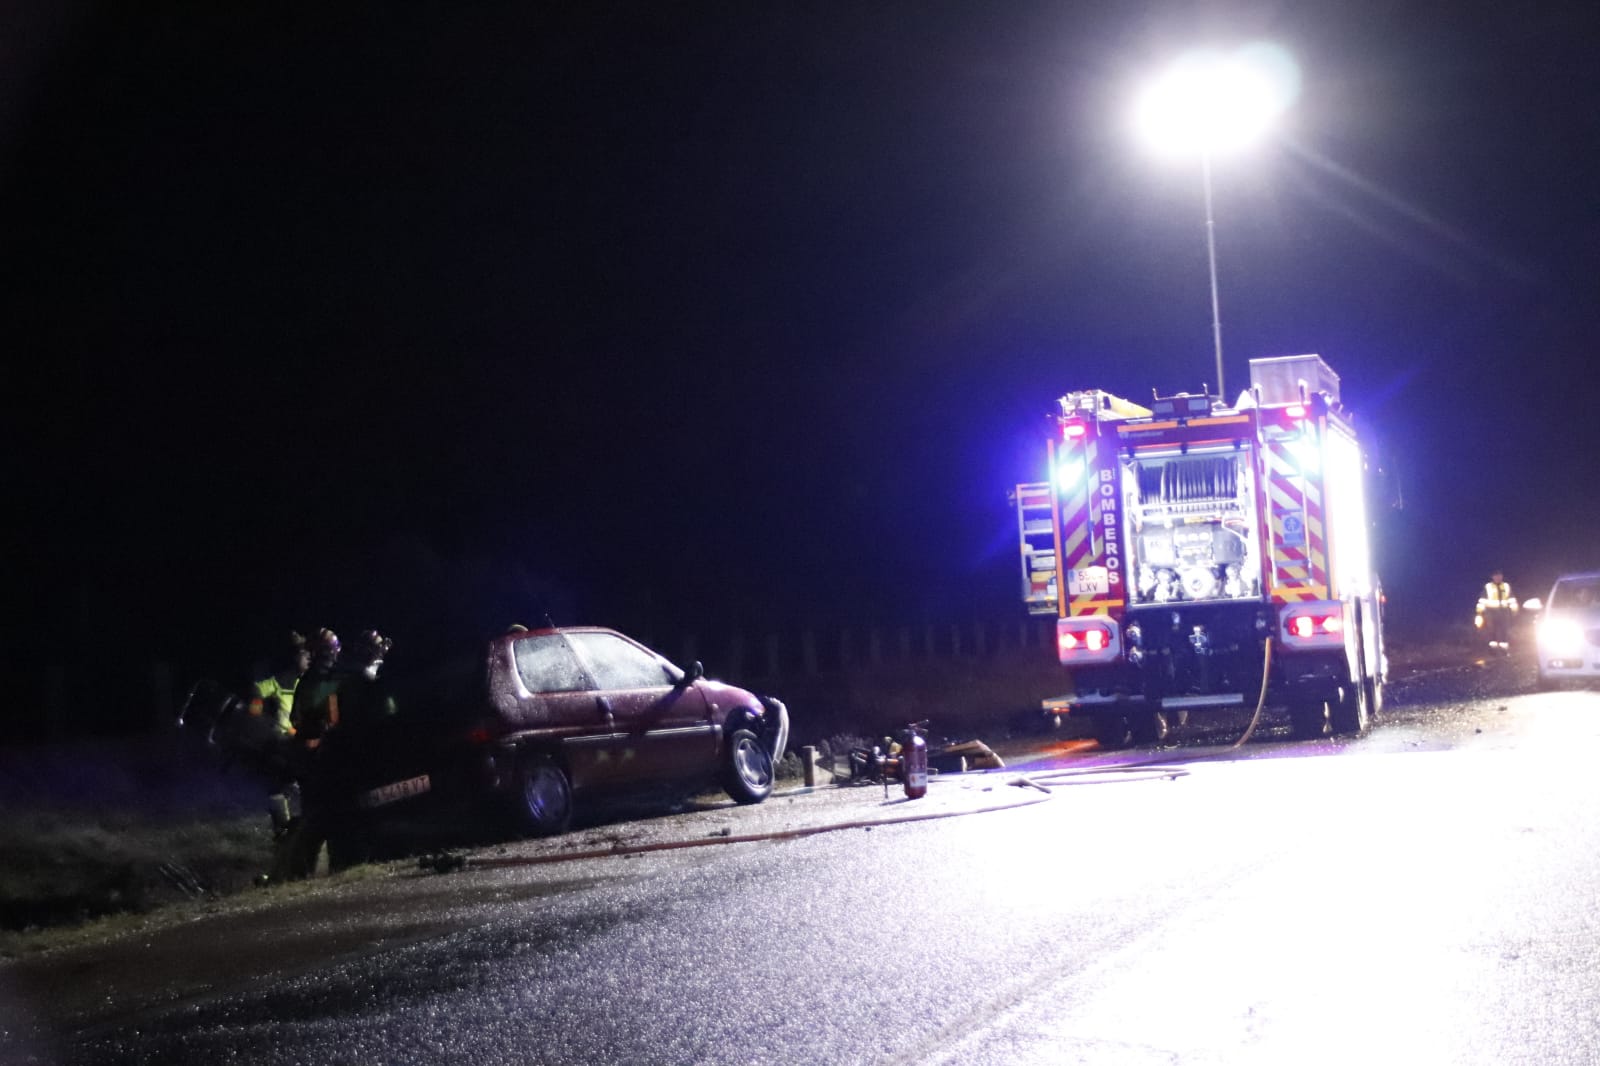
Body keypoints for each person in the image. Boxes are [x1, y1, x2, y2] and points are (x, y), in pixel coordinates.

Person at [247, 631, 310, 836]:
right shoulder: (280, 681)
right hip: (283, 739)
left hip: (301, 738)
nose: (308, 658)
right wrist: (256, 710)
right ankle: (284, 830)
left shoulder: (307, 681)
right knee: (277, 785)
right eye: (304, 654)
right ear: (294, 657)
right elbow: (257, 691)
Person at [1477, 570, 1518, 652]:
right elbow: (1482, 600)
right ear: (1492, 577)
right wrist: (1479, 612)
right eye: (1496, 576)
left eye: (1499, 575)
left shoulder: (1506, 586)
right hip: (1491, 611)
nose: (1498, 577)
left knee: (1504, 628)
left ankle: (1504, 648)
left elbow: (1511, 598)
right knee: (1491, 629)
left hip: (1504, 611)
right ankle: (1493, 648)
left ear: (1502, 576)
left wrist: (1514, 609)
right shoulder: (1488, 586)